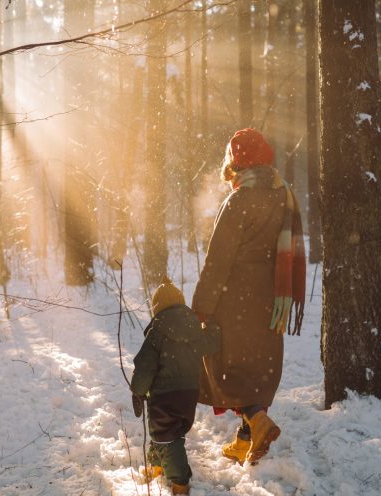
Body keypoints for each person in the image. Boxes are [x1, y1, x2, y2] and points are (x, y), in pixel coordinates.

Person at [192, 128, 306, 465]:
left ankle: (257, 421)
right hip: (271, 298)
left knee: (223, 366)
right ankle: (247, 440)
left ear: (237, 164)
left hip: (234, 297)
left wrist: (200, 308)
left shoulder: (239, 201)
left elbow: (218, 261)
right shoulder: (282, 194)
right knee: (259, 365)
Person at [131, 275, 220, 495]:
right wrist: (215, 328)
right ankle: (157, 465)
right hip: (189, 395)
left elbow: (145, 366)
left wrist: (138, 391)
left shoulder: (157, 332)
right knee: (165, 432)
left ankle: (180, 482)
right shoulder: (194, 329)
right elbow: (211, 344)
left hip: (164, 395)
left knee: (167, 437)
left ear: (156, 307)